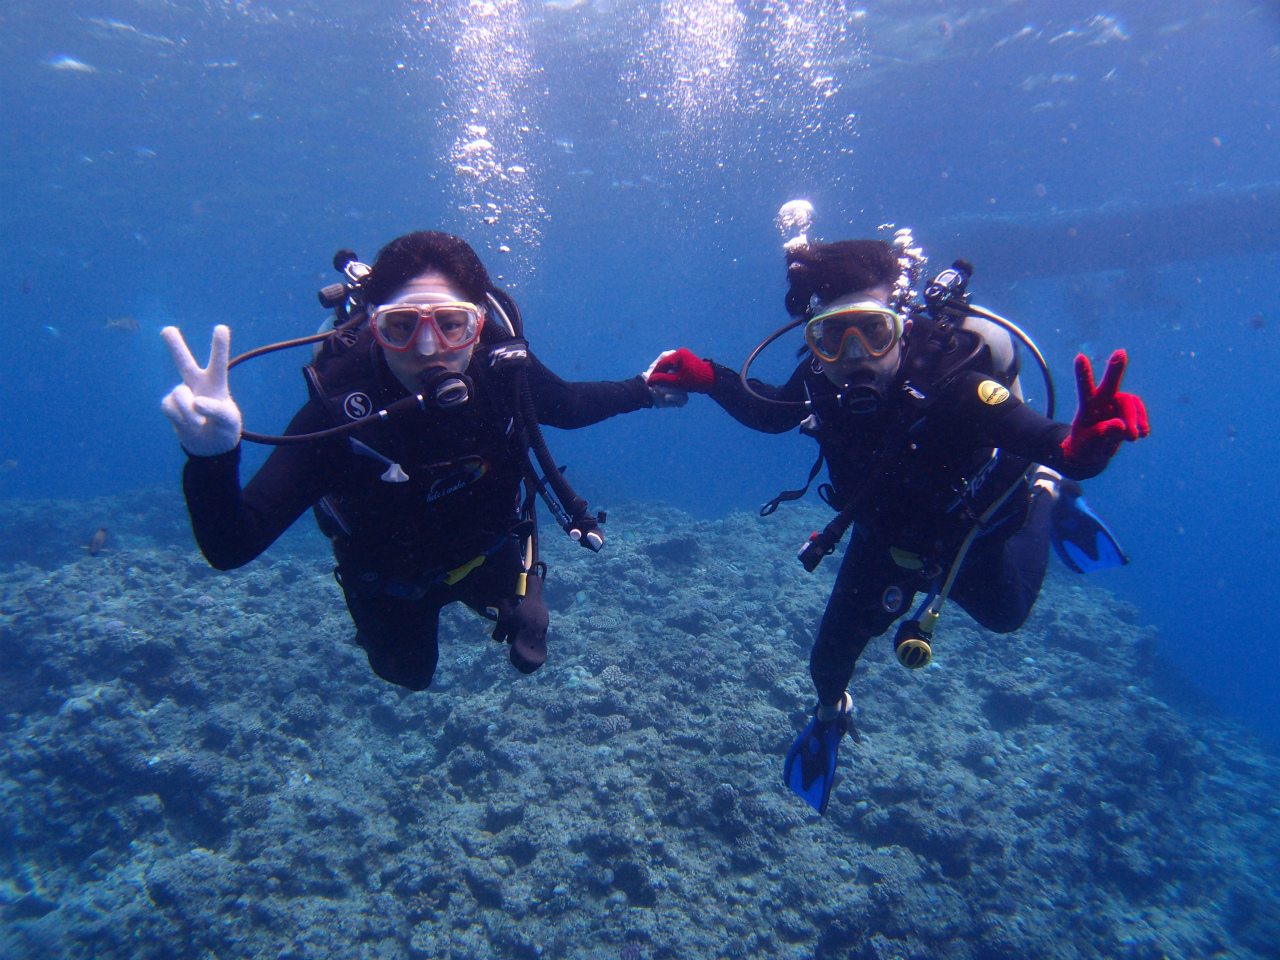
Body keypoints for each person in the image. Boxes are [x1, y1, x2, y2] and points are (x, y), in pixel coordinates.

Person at [644, 239, 1149, 814]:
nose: (854, 354)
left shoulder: (957, 386)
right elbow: (770, 412)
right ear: (814, 342)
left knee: (1007, 615)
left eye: (873, 332)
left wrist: (1078, 455)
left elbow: (1042, 435)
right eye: (832, 337)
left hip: (967, 534)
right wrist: (709, 377)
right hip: (882, 540)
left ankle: (1048, 493)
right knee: (826, 666)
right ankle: (831, 720)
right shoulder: (821, 379)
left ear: (901, 327)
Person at [161, 230, 671, 690]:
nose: (428, 349)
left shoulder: (503, 373)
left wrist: (644, 389)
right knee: (409, 675)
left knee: (514, 617)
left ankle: (497, 598)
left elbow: (572, 406)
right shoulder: (342, 413)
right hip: (391, 584)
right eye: (401, 326)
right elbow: (231, 546)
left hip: (489, 554)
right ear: (373, 325)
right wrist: (211, 458)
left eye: (451, 324)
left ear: (478, 325)